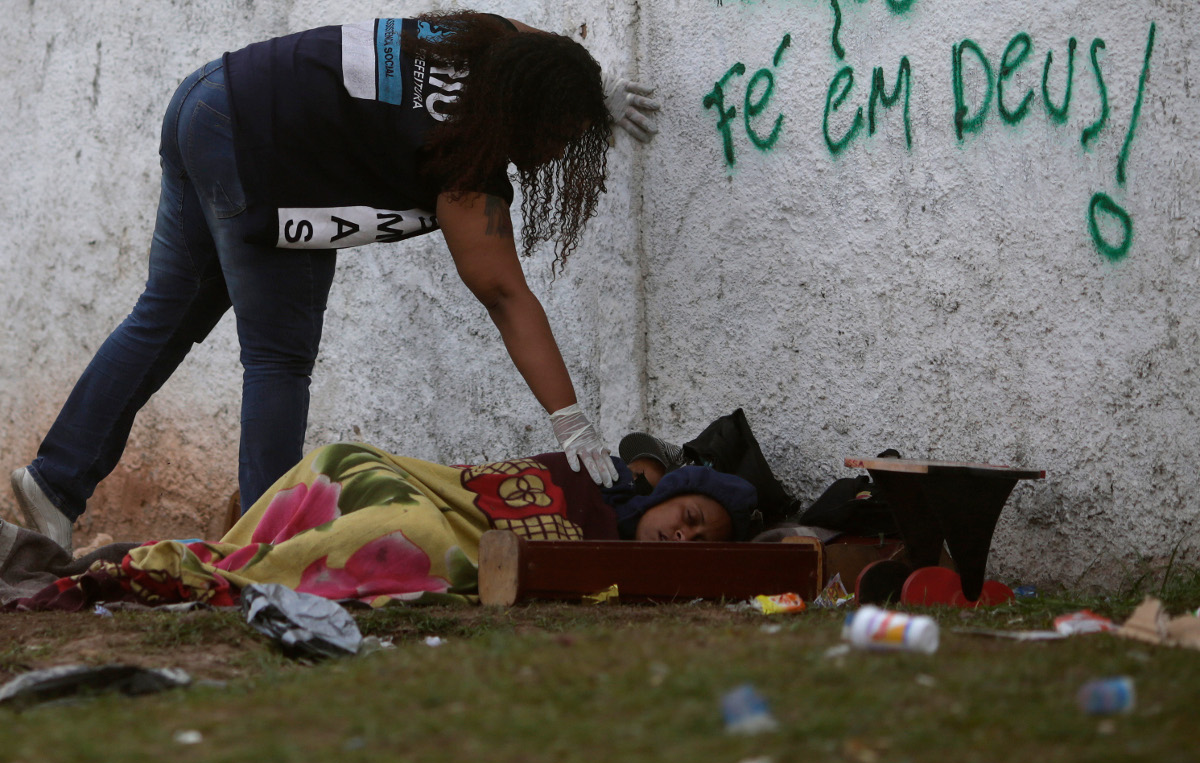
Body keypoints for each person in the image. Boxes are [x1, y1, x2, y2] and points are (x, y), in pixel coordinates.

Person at [9, 11, 662, 552]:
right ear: (527, 113)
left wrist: (592, 86)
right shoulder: (468, 160)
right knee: (279, 357)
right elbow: (505, 295)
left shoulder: (491, 44)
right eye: (559, 136)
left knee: (164, 314)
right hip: (274, 155)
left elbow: (533, 43)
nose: (559, 153)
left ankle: (55, 482)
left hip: (209, 96)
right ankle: (263, 551)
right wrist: (571, 423)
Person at [4, 439, 760, 611]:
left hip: (426, 531)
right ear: (670, 492)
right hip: (399, 483)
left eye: (702, 544)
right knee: (354, 474)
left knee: (414, 536)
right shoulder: (588, 478)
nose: (685, 537)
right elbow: (468, 489)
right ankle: (197, 561)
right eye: (691, 517)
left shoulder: (612, 577)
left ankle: (158, 564)